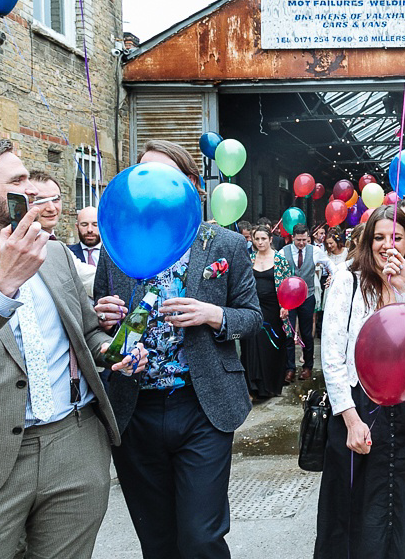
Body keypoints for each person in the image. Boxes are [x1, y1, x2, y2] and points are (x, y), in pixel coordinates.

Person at [0, 133, 145, 558]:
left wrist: (111, 351)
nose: (33, 191)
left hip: (73, 445)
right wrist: (1, 285)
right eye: (18, 181)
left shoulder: (54, 254)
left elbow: (88, 330)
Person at [93, 139, 262, 559]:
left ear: (188, 183)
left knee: (200, 536)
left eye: (163, 176)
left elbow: (252, 316)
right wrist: (103, 318)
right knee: (158, 540)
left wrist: (212, 314)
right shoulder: (117, 242)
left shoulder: (222, 244)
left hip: (202, 405)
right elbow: (99, 328)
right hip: (135, 408)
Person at [315, 205, 405, 559]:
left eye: (396, 237)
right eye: (378, 237)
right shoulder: (348, 278)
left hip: (402, 408)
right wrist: (350, 417)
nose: (386, 245)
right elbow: (331, 355)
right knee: (353, 503)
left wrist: (404, 289)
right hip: (357, 404)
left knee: (396, 498)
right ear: (367, 241)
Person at [241, 226, 292, 401]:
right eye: (257, 239)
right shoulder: (249, 259)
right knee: (251, 346)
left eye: (264, 238)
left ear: (270, 239)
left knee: (270, 346)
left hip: (273, 310)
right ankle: (252, 387)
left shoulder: (280, 260)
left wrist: (285, 306)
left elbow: (288, 285)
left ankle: (269, 386)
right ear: (253, 240)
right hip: (252, 307)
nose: (260, 242)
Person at [280, 223, 335, 382]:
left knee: (306, 333)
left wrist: (333, 276)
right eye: (298, 240)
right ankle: (289, 368)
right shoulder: (284, 252)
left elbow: (330, 264)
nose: (302, 243)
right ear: (292, 238)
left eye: (305, 240)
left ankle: (307, 367)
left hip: (307, 296)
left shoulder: (315, 251)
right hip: (289, 299)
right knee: (288, 334)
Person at [67, 205, 103, 296]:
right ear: (77, 226)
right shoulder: (67, 254)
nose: (89, 230)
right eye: (84, 224)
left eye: (95, 224)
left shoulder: (113, 256)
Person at [27, 171, 62, 238]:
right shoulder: (16, 246)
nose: (51, 208)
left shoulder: (61, 246)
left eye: (55, 199)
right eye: (40, 200)